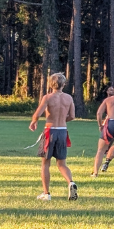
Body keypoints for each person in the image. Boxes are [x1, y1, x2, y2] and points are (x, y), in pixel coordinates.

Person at [29, 73, 78, 201]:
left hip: (49, 131)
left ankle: (46, 194)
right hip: (63, 131)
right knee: (62, 163)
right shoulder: (69, 98)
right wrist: (62, 121)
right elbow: (72, 116)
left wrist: (34, 122)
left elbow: (38, 113)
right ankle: (71, 182)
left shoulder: (47, 97)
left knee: (45, 163)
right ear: (64, 84)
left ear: (50, 84)